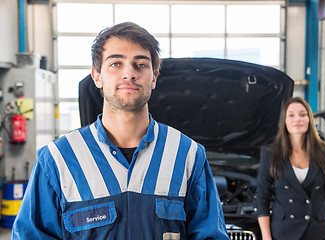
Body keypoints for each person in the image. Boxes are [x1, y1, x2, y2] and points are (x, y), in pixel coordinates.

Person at [12, 22, 229, 240]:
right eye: (116, 63)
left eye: (141, 64)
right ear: (97, 76)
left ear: (154, 77)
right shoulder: (58, 160)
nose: (129, 74)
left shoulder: (188, 155)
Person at [256, 96, 325, 240]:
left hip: (317, 232)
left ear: (309, 119)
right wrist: (266, 237)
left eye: (302, 114)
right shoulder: (270, 153)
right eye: (291, 115)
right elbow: (262, 199)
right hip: (283, 233)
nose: (297, 119)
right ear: (284, 121)